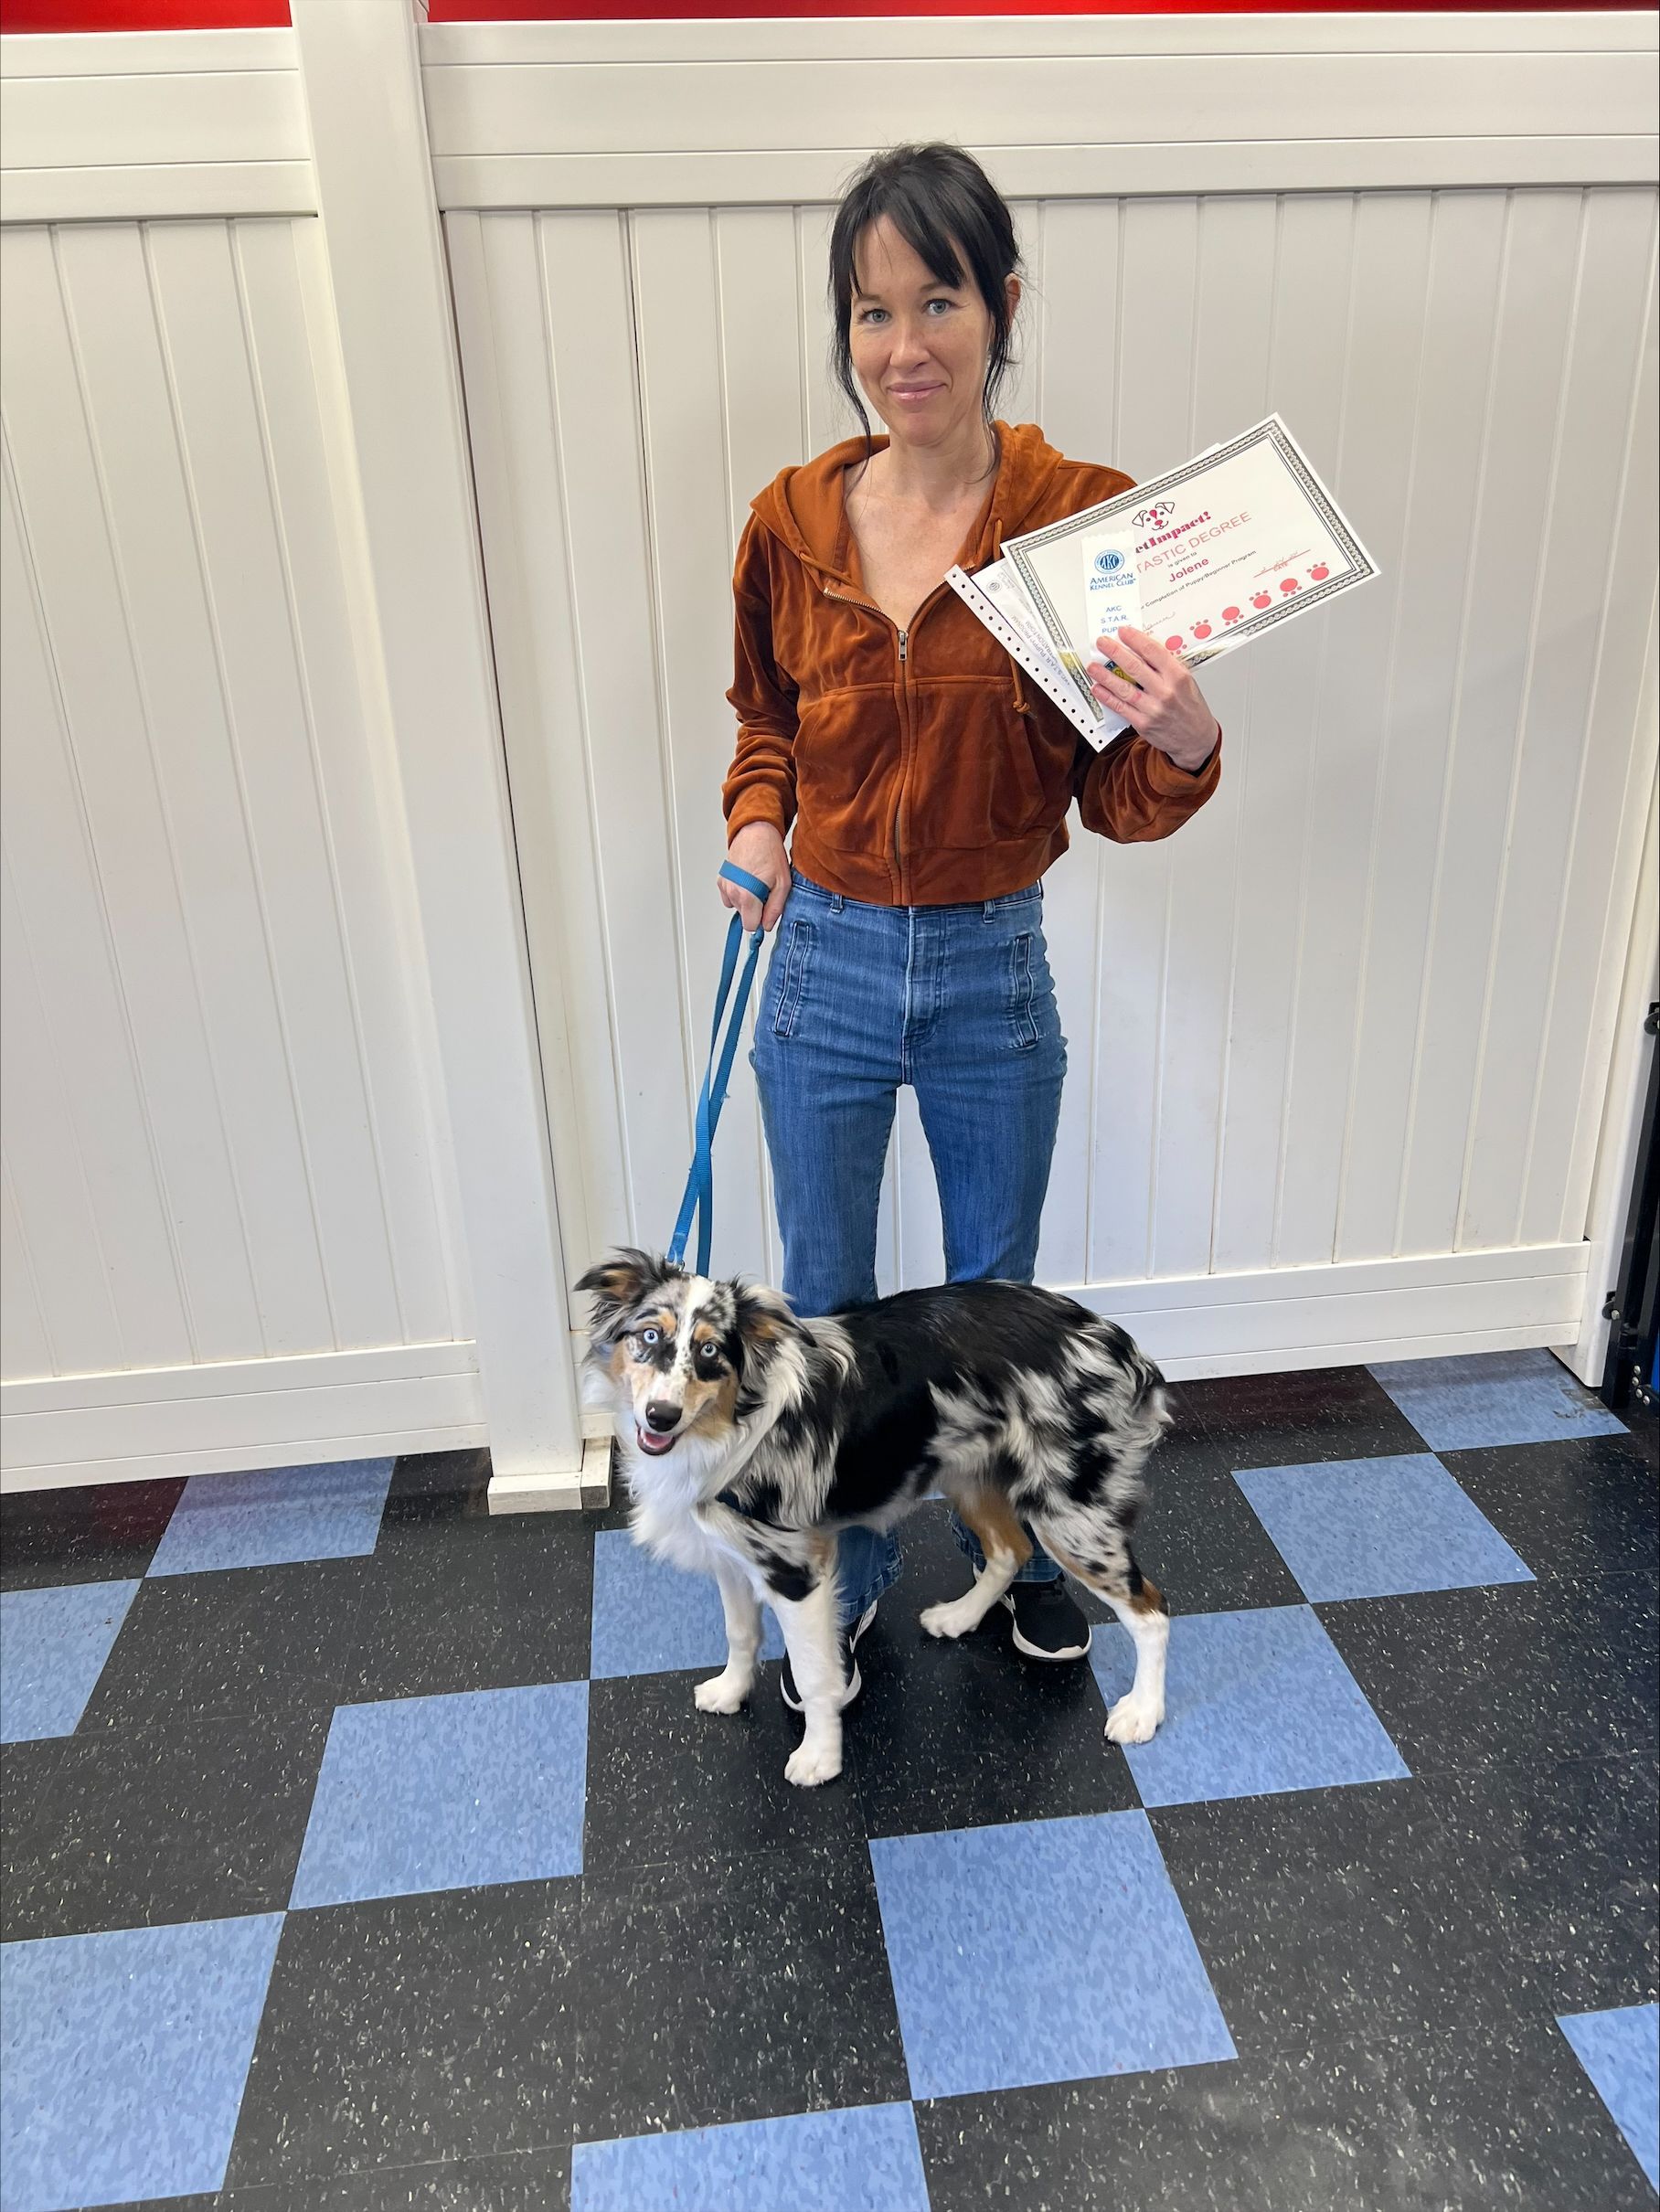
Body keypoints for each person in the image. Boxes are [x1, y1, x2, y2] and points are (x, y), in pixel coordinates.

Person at [718, 143, 1220, 1709]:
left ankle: (1018, 1562)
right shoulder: (792, 522)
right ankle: (845, 1574)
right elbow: (763, 723)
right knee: (823, 1297)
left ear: (1001, 305)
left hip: (997, 960)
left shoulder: (1083, 524)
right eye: (872, 314)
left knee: (994, 1299)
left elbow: (1123, 791)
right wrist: (755, 822)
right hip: (829, 964)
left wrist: (1189, 737)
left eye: (938, 300)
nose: (904, 347)